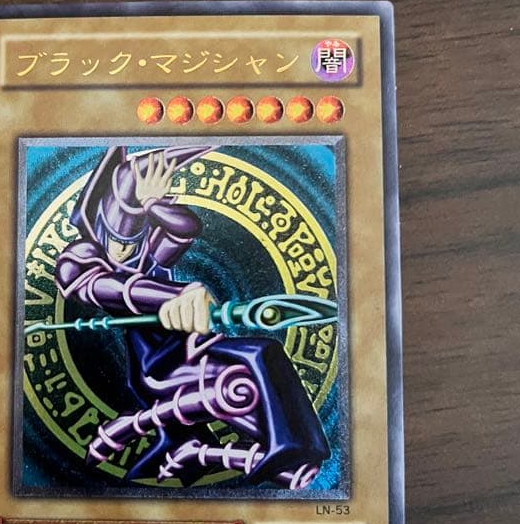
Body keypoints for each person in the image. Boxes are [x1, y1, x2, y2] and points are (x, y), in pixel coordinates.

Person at [55, 146, 329, 488]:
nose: (125, 251)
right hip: (158, 365)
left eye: (134, 240)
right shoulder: (80, 257)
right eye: (116, 240)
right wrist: (172, 296)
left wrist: (152, 204)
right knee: (246, 371)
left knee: (261, 355)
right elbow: (101, 287)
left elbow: (186, 227)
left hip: (190, 348)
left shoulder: (146, 252)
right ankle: (276, 450)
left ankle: (283, 450)